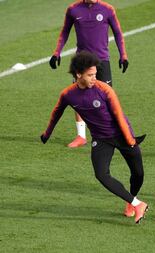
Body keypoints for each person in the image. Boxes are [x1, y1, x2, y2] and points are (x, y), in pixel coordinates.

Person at [41, 52, 147, 224]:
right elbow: (56, 113)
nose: (94, 78)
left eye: (95, 74)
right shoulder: (68, 94)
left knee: (138, 174)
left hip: (122, 134)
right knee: (101, 174)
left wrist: (130, 140)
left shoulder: (104, 89)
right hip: (101, 139)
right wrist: (47, 133)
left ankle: (131, 199)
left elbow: (119, 116)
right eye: (90, 75)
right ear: (78, 75)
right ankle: (137, 204)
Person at [49, 0, 129, 148]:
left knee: (108, 98)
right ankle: (81, 136)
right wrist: (56, 53)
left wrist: (123, 55)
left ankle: (115, 133)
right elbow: (65, 32)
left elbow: (118, 33)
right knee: (79, 97)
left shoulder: (107, 9)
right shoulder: (73, 9)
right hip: (82, 62)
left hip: (102, 60)